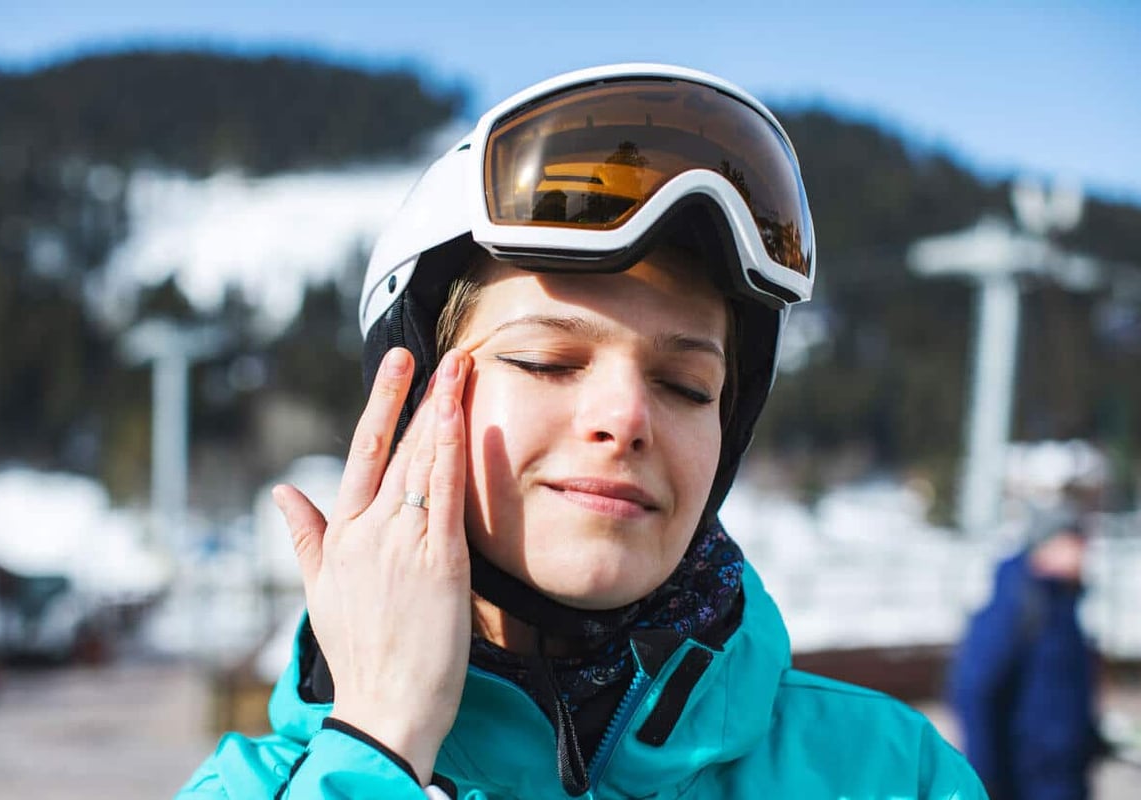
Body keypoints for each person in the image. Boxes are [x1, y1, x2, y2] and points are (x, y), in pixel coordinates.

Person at [178, 63, 986, 799]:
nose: (627, 419)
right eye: (546, 361)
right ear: (412, 401)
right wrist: (377, 744)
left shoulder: (888, 773)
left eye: (686, 385)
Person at [949, 499, 1103, 800]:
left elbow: (1065, 688)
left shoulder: (1064, 605)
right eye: (1072, 542)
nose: (1083, 552)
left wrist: (1089, 738)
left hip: (1065, 775)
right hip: (1025, 778)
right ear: (1045, 546)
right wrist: (984, 775)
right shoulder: (1016, 603)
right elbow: (975, 691)